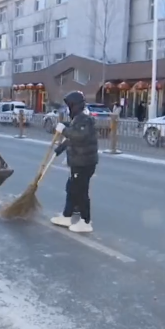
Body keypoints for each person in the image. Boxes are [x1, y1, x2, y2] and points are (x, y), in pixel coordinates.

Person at [50, 91, 99, 233]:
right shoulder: (77, 119)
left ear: (74, 105)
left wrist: (64, 130)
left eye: (69, 106)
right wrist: (59, 150)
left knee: (80, 192)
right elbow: (71, 139)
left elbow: (79, 136)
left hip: (84, 163)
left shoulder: (84, 120)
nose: (67, 109)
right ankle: (67, 216)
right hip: (78, 161)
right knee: (71, 188)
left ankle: (86, 221)